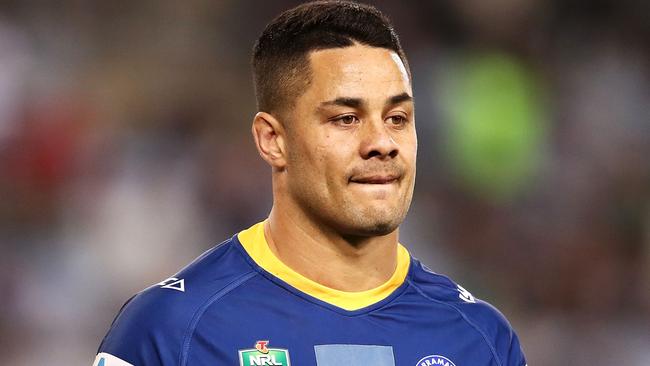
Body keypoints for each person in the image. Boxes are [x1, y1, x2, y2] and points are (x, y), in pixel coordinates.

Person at [93, 1, 527, 365]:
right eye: (345, 119)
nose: (382, 143)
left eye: (397, 118)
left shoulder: (479, 339)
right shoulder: (170, 331)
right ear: (272, 140)